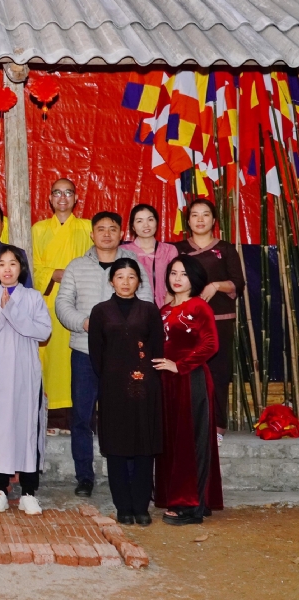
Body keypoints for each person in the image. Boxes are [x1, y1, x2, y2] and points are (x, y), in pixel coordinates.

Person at [55, 212, 153, 498]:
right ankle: (84, 476)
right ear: (92, 234)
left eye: (113, 228)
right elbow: (63, 304)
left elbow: (146, 303)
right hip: (85, 353)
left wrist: (126, 329)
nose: (107, 234)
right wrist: (84, 322)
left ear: (122, 233)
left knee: (126, 415)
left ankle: (131, 476)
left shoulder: (132, 266)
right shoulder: (76, 267)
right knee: (82, 418)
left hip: (125, 357)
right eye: (101, 229)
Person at [0, 247, 52, 515]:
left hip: (26, 376)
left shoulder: (33, 298)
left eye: (13, 264)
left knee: (27, 427)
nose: (7, 269)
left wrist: (14, 313)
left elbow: (43, 331)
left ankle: (29, 492)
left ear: (22, 268)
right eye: (2, 264)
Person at [88, 258, 164, 526]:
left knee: (145, 447)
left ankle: (141, 506)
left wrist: (146, 377)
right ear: (111, 281)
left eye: (131, 277)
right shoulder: (100, 311)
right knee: (117, 448)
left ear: (138, 282)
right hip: (113, 389)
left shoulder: (149, 310)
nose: (125, 282)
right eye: (120, 276)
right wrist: (113, 377)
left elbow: (158, 348)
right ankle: (123, 506)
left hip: (146, 388)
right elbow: (96, 354)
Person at [153, 256, 223, 525]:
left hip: (190, 378)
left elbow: (210, 345)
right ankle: (179, 497)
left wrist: (179, 365)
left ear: (194, 278)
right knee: (171, 441)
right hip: (166, 382)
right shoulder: (164, 309)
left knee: (191, 442)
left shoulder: (199, 307)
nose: (177, 278)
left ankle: (191, 505)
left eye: (183, 273)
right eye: (173, 273)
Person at [174, 199, 245, 442]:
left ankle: (217, 426)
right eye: (195, 215)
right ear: (188, 221)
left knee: (217, 372)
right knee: (185, 370)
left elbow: (238, 282)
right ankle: (187, 424)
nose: (200, 219)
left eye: (206, 214)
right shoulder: (178, 249)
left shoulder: (225, 249)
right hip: (186, 320)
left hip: (219, 319)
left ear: (214, 220)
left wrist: (216, 285)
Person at [31, 178, 93, 430]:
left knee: (79, 357)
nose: (63, 198)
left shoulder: (87, 228)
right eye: (57, 193)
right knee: (52, 358)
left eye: (68, 193)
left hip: (82, 302)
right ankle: (52, 417)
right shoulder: (38, 229)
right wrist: (53, 274)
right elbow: (30, 266)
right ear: (49, 198)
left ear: (76, 198)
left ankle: (80, 416)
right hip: (48, 300)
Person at [121, 204, 178, 308]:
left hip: (166, 306)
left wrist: (166, 308)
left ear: (156, 222)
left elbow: (175, 280)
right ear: (133, 226)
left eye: (150, 220)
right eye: (139, 221)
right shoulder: (124, 251)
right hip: (132, 308)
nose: (146, 225)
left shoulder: (169, 250)